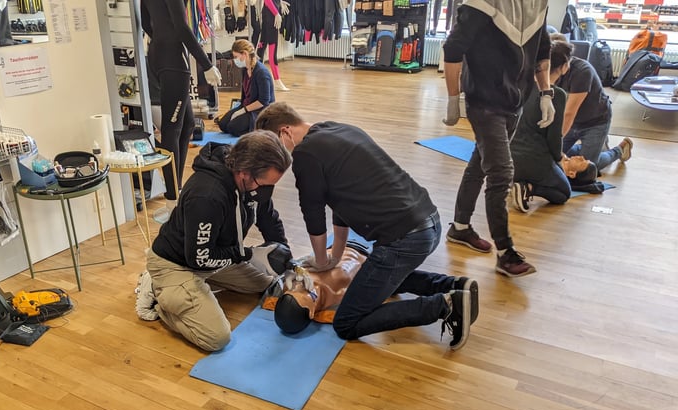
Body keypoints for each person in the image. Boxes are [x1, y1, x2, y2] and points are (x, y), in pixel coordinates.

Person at [255, 102, 478, 350]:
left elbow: (313, 215)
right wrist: (335, 256)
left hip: (405, 239)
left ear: (285, 131)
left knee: (346, 324)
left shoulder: (305, 155)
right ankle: (456, 286)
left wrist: (320, 260)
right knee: (375, 279)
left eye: (276, 145)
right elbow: (341, 204)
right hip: (429, 221)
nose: (279, 154)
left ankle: (445, 304)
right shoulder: (338, 129)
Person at [137, 131, 293, 351]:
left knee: (267, 283)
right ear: (244, 172)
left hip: (212, 256)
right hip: (178, 264)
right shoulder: (207, 196)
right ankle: (160, 295)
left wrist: (286, 260)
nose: (265, 189)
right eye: (263, 183)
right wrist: (248, 255)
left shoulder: (254, 182)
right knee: (217, 338)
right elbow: (199, 259)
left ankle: (190, 291)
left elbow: (268, 218)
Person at [442, 0, 554, 278]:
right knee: (501, 172)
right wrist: (454, 97)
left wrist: (547, 94)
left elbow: (542, 50)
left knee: (479, 164)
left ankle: (460, 227)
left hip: (515, 100)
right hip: (484, 101)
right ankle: (505, 253)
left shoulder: (538, 4)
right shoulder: (482, 3)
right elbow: (453, 47)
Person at [140, 0, 223, 220]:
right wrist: (206, 65)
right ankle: (171, 200)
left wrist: (161, 39)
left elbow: (146, 23)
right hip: (174, 60)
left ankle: (175, 189)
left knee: (186, 126)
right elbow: (181, 26)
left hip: (159, 55)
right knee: (172, 130)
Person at [509, 40, 600, 212]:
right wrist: (559, 158)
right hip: (531, 158)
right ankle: (528, 188)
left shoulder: (521, 84)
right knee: (563, 192)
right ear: (565, 67)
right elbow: (554, 137)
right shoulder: (556, 95)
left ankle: (515, 181)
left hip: (506, 154)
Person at [550, 35, 633, 175]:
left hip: (595, 121)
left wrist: (554, 143)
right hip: (570, 122)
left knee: (588, 168)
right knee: (553, 159)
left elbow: (569, 113)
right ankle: (594, 146)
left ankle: (619, 150)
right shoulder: (548, 68)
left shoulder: (582, 71)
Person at [216, 39, 275, 137]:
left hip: (260, 110)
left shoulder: (261, 73)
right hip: (247, 105)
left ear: (245, 54)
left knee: (232, 128)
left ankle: (260, 129)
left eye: (236, 57)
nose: (235, 60)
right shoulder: (245, 70)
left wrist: (243, 110)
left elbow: (263, 101)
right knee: (223, 125)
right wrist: (240, 109)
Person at [253, 0, 290, 92]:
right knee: (272, 49)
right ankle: (277, 80)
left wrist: (279, 2)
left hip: (269, 13)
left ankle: (256, 78)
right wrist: (276, 12)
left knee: (262, 47)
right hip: (271, 16)